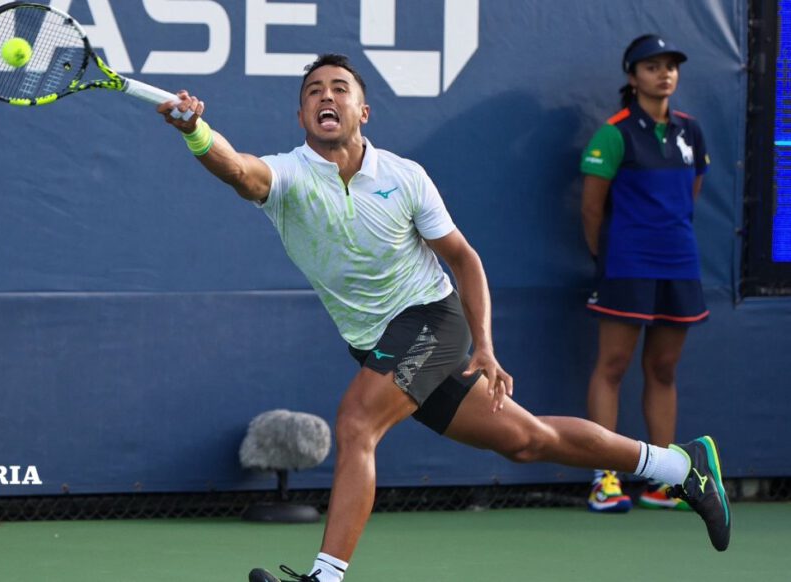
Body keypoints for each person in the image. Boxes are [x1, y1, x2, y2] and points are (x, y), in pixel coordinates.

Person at [157, 54, 730, 581]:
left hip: (432, 319)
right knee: (528, 440)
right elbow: (236, 169)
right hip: (378, 343)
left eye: (339, 87)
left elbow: (464, 259)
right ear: (303, 112)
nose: (325, 96)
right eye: (313, 91)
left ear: (363, 109)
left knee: (358, 423)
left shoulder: (405, 177)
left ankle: (325, 579)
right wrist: (195, 133)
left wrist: (484, 345)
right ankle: (683, 467)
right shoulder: (286, 177)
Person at [580, 35, 711, 514]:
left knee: (663, 369)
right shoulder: (613, 133)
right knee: (612, 366)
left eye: (670, 66)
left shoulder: (692, 132)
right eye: (652, 67)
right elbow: (592, 210)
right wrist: (609, 258)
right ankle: (605, 477)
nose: (665, 74)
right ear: (633, 77)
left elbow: (691, 195)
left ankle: (666, 481)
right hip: (626, 265)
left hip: (679, 265)